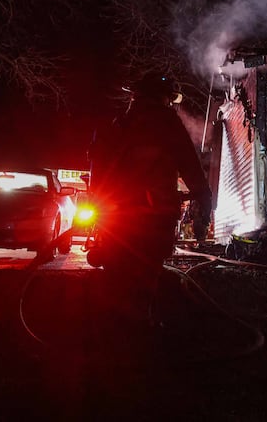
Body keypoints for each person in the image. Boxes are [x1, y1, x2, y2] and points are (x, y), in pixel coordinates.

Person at [88, 72, 212, 332]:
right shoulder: (166, 122)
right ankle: (140, 327)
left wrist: (98, 206)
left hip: (117, 216)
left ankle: (113, 327)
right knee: (146, 269)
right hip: (154, 215)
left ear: (135, 96)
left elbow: (97, 169)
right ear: (164, 97)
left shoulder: (119, 123)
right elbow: (188, 162)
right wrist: (202, 193)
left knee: (118, 268)